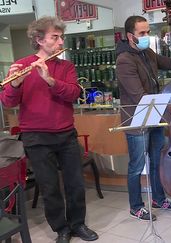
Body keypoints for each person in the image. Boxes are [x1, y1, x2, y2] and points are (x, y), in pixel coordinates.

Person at [0, 17, 98, 243]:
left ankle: (78, 224)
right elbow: (7, 102)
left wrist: (50, 80)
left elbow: (74, 93)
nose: (60, 41)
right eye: (55, 37)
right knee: (50, 187)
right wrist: (14, 84)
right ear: (39, 40)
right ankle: (61, 229)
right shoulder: (23, 64)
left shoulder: (66, 66)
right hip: (36, 137)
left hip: (65, 134)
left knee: (75, 183)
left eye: (60, 37)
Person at [115, 16, 171, 221]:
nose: (147, 36)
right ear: (130, 36)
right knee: (137, 166)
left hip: (154, 116)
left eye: (148, 32)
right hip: (136, 120)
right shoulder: (124, 60)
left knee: (157, 161)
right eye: (142, 33)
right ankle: (136, 206)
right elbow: (139, 96)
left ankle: (158, 198)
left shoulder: (147, 52)